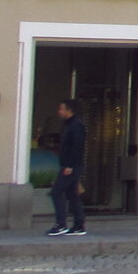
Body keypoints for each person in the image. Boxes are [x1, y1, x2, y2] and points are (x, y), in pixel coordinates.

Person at [46, 99, 88, 237]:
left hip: (71, 166)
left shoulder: (76, 125)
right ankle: (78, 225)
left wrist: (70, 165)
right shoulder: (69, 124)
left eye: (62, 109)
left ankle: (61, 224)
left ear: (69, 110)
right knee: (72, 195)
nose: (59, 112)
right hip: (70, 164)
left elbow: (77, 146)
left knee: (56, 192)